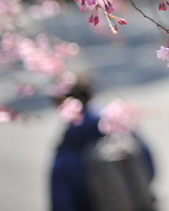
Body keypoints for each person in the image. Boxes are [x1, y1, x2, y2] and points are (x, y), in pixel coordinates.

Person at [50, 77, 155, 211]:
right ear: (90, 94)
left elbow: (62, 203)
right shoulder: (121, 126)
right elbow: (148, 165)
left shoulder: (68, 151)